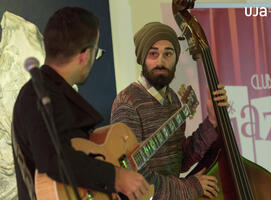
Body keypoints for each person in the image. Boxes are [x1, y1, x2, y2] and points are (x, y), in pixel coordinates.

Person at [12, 7, 149, 200]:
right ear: (84, 55)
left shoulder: (53, 92)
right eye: (96, 52)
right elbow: (53, 158)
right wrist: (116, 176)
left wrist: (104, 190)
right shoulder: (37, 94)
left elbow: (75, 158)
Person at [111, 22, 229, 200]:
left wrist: (211, 120)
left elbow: (179, 161)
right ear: (142, 59)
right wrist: (190, 187)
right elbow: (133, 178)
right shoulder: (127, 102)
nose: (160, 61)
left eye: (168, 53)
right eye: (153, 54)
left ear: (175, 58)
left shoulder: (172, 99)